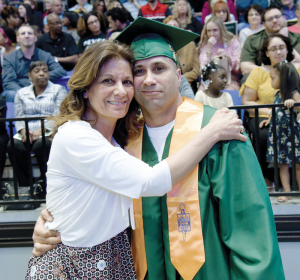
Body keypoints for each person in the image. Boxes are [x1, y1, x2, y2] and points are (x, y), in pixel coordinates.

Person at [32, 17, 285, 280]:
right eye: (138, 72)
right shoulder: (123, 140)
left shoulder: (219, 131)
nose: (148, 80)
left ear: (178, 75)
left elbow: (252, 234)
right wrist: (49, 223)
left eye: (159, 68)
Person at [240, 34, 300, 188]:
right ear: (266, 52)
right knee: (265, 134)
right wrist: (271, 113)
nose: (278, 52)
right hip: (263, 115)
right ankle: (270, 181)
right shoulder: (258, 72)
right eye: (273, 49)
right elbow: (247, 101)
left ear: (288, 50)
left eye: (281, 48)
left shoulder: (297, 69)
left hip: (294, 116)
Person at [7, 60, 67, 188]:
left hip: (49, 131)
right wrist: (24, 131)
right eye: (37, 71)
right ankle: (25, 186)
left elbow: (58, 114)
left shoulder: (58, 90)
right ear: (29, 75)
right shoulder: (21, 93)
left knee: (43, 145)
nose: (42, 74)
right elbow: (19, 115)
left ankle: (46, 185)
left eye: (45, 71)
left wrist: (41, 131)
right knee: (14, 146)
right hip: (26, 132)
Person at [260, 62, 300, 201]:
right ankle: (287, 191)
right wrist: (269, 119)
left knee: (297, 165)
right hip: (279, 137)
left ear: (283, 78)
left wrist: (293, 104)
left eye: (273, 78)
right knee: (282, 165)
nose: (271, 81)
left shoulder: (294, 94)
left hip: (292, 136)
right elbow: (276, 111)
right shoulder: (277, 94)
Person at [2, 24, 66, 102]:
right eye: (23, 34)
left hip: (42, 89)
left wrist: (39, 78)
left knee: (60, 91)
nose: (26, 36)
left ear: (35, 38)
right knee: (9, 94)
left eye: (30, 33)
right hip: (20, 92)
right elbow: (9, 82)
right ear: (17, 39)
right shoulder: (9, 59)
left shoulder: (45, 55)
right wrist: (24, 93)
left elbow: (60, 71)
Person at [241, 6, 300, 76]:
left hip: (292, 77)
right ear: (264, 24)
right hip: (263, 77)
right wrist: (274, 70)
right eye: (270, 19)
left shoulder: (297, 37)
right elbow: (245, 68)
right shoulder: (252, 40)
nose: (274, 21)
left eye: (277, 17)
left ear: (284, 18)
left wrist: (285, 40)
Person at [199, 16, 241, 90]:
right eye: (209, 31)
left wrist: (228, 57)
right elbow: (203, 68)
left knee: (229, 90)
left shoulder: (232, 42)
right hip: (210, 79)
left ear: (221, 30)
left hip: (229, 79)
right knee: (202, 90)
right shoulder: (205, 44)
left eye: (215, 30)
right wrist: (209, 49)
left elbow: (238, 68)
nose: (211, 34)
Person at [163, 16, 200, 87]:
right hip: (167, 85)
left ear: (180, 29)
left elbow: (196, 70)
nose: (173, 28)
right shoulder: (161, 46)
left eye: (175, 25)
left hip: (187, 84)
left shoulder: (190, 44)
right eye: (169, 26)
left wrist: (181, 79)